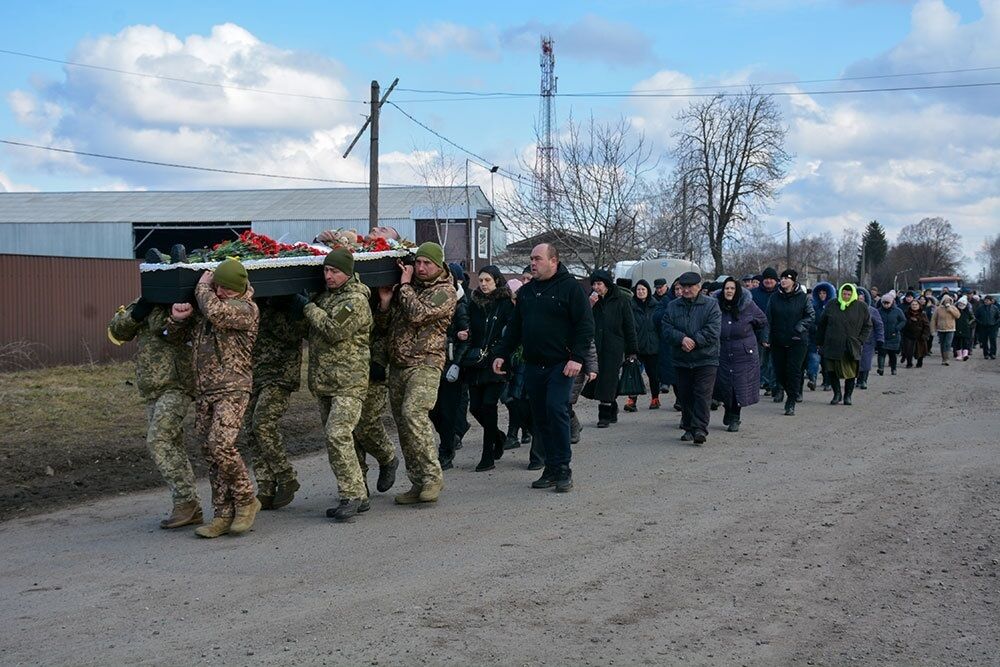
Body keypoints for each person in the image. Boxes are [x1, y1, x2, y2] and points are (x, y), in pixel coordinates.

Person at [168, 258, 260, 538]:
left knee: (221, 443)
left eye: (226, 289)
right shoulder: (208, 306)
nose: (220, 292)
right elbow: (172, 337)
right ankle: (222, 513)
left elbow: (217, 313)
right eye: (217, 287)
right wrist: (177, 318)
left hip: (233, 388)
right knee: (210, 453)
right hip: (205, 391)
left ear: (239, 288)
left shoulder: (245, 309)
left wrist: (203, 287)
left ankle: (246, 500)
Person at [493, 243, 594, 493]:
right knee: (539, 417)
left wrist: (578, 358)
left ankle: (563, 468)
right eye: (531, 259)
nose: (533, 263)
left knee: (556, 409)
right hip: (533, 365)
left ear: (554, 261)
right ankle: (549, 467)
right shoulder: (527, 293)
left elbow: (585, 326)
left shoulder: (571, 289)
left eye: (538, 259)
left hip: (561, 364)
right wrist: (501, 354)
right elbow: (515, 328)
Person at [293, 248, 374, 522]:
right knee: (338, 438)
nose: (328, 276)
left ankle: (350, 495)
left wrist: (307, 307)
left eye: (334, 271)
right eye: (325, 271)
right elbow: (311, 331)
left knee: (337, 433)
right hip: (325, 381)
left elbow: (334, 330)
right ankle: (359, 493)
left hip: (349, 381)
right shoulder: (325, 297)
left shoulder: (355, 301)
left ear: (348, 273)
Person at [108, 297, 201, 529]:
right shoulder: (145, 302)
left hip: (177, 384)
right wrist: (138, 313)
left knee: (158, 440)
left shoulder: (186, 303)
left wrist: (176, 315)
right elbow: (118, 331)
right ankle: (189, 506)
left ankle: (186, 502)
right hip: (151, 387)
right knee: (172, 444)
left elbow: (178, 333)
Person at [375, 242, 457, 505]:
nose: (421, 268)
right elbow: (385, 326)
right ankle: (417, 481)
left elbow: (417, 315)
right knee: (403, 425)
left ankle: (433, 477)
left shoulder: (445, 291)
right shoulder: (405, 289)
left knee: (414, 414)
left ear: (438, 265)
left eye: (427, 264)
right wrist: (387, 304)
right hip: (399, 364)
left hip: (426, 363)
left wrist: (405, 284)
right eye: (418, 263)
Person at [243, 298, 306, 511]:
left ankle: (286, 476)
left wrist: (279, 306)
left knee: (263, 424)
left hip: (280, 375)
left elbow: (295, 333)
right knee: (250, 429)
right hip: (256, 374)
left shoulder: (290, 302)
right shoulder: (254, 305)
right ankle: (266, 486)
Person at [463, 265, 515, 472]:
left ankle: (487, 455)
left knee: (488, 405)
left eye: (488, 280)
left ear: (497, 281)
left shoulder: (505, 304)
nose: (483, 284)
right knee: (475, 407)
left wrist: (503, 354)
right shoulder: (473, 303)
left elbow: (511, 332)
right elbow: (469, 327)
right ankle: (499, 436)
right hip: (476, 361)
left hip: (497, 361)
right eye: (481, 280)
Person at [662, 271, 722, 444]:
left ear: (699, 287)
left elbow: (713, 330)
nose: (686, 290)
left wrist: (694, 341)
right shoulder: (673, 306)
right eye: (683, 287)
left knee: (702, 394)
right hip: (682, 358)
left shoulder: (711, 305)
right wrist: (681, 339)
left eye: (690, 287)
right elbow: (666, 328)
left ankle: (700, 429)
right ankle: (688, 426)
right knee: (685, 394)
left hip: (706, 358)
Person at [351, 293, 400, 497]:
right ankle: (358, 483)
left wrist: (379, 360)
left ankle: (387, 456)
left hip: (374, 367)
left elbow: (385, 329)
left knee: (367, 420)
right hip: (347, 367)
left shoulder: (383, 292)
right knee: (349, 428)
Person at [429, 267, 470, 470]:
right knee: (433, 411)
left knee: (446, 411)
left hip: (451, 365)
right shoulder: (434, 301)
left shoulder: (460, 305)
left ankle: (446, 450)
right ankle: (450, 437)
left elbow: (466, 336)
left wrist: (456, 363)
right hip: (431, 363)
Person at [713, 277, 767, 432]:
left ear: (737, 291)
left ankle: (735, 416)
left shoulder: (748, 305)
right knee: (723, 383)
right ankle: (728, 409)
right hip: (722, 350)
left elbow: (762, 320)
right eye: (726, 288)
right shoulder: (716, 305)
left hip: (743, 352)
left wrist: (750, 332)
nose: (729, 291)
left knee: (739, 385)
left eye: (732, 288)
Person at [589, 269, 638, 428]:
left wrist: (632, 350)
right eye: (594, 284)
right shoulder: (593, 301)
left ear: (607, 284)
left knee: (608, 378)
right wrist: (590, 305)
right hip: (596, 346)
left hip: (614, 346)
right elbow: (584, 321)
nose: (596, 287)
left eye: (599, 284)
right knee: (602, 379)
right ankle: (612, 405)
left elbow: (629, 326)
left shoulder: (621, 301)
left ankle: (604, 415)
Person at [764, 269, 814, 416]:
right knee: (779, 372)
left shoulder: (803, 298)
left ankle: (791, 401)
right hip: (778, 340)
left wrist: (800, 327)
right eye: (782, 278)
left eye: (787, 278)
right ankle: (790, 391)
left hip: (797, 341)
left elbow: (810, 316)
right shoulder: (774, 298)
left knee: (793, 371)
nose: (784, 281)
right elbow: (768, 319)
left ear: (794, 281)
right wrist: (766, 338)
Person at [816, 283, 872, 406]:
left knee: (850, 372)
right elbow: (822, 324)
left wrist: (860, 340)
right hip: (832, 344)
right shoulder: (832, 304)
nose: (846, 296)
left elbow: (867, 326)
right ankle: (837, 394)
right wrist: (820, 342)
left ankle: (848, 395)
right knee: (831, 370)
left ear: (853, 294)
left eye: (848, 294)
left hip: (851, 345)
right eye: (844, 293)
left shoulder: (861, 307)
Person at [627, 279, 661, 411]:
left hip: (653, 346)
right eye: (638, 290)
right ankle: (631, 400)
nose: (640, 292)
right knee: (633, 374)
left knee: (653, 375)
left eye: (643, 289)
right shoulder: (630, 306)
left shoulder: (655, 305)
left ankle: (655, 398)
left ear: (648, 291)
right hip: (636, 346)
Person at [751, 267, 779, 396]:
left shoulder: (780, 293)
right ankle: (762, 382)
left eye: (771, 279)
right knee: (759, 360)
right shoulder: (754, 294)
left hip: (776, 331)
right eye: (766, 278)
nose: (768, 281)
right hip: (757, 331)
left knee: (774, 362)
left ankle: (773, 385)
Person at [855, 288, 884, 390]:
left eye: (861, 299)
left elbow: (879, 325)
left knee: (866, 361)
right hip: (855, 340)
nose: (860, 301)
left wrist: (880, 338)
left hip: (868, 340)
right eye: (857, 299)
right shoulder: (851, 310)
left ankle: (864, 380)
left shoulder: (872, 311)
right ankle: (857, 379)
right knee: (856, 361)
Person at [809, 282, 835, 390]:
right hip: (815, 336)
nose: (822, 295)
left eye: (824, 293)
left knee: (826, 361)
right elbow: (810, 319)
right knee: (813, 358)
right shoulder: (814, 306)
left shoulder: (832, 306)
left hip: (828, 337)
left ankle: (827, 381)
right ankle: (813, 379)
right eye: (820, 293)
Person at [876, 291, 905, 376]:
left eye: (888, 303)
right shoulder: (878, 311)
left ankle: (893, 368)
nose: (886, 305)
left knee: (892, 354)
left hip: (893, 335)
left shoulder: (897, 311)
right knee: (881, 353)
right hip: (882, 335)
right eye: (884, 303)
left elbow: (903, 320)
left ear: (892, 302)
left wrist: (897, 328)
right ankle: (880, 368)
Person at [901, 299, 931, 368]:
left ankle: (919, 362)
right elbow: (903, 323)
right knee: (908, 349)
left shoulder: (922, 314)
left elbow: (926, 325)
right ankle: (909, 363)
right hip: (908, 334)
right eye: (913, 304)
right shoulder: (906, 313)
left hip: (920, 335)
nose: (914, 306)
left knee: (920, 349)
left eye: (916, 304)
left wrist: (925, 334)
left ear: (919, 306)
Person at [931, 295, 960, 365]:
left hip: (950, 329)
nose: (947, 302)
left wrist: (950, 309)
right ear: (943, 301)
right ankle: (943, 358)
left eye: (949, 300)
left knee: (948, 344)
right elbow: (933, 319)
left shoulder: (953, 308)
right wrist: (932, 330)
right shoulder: (938, 309)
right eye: (946, 300)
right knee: (942, 344)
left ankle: (946, 359)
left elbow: (958, 316)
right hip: (941, 329)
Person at [974, 295, 999, 359]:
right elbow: (976, 317)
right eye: (985, 300)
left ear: (991, 301)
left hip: (992, 327)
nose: (986, 301)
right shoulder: (980, 308)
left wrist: (995, 323)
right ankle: (986, 354)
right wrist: (980, 323)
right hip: (983, 327)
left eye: (987, 300)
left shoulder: (995, 308)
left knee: (993, 341)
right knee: (984, 341)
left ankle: (993, 354)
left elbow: (998, 317)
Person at [952, 296, 975, 361]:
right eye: (960, 304)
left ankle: (965, 355)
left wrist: (968, 323)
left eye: (963, 304)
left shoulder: (968, 311)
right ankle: (959, 355)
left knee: (966, 342)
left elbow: (973, 318)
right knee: (958, 342)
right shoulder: (955, 310)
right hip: (957, 328)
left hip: (966, 329)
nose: (961, 305)